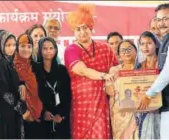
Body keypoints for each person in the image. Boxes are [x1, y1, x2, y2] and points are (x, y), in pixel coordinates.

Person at [65, 4, 118, 139]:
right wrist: (104, 76)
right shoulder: (71, 50)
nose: (82, 32)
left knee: (101, 134)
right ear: (73, 32)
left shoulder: (104, 48)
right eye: (78, 29)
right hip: (82, 105)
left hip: (101, 102)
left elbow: (115, 65)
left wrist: (111, 75)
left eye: (85, 27)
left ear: (91, 28)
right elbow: (81, 70)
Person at [0, 30, 32, 139]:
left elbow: (12, 82)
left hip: (11, 112)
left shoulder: (8, 62)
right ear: (0, 45)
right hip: (4, 113)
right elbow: (5, 93)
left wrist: (21, 84)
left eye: (13, 45)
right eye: (8, 45)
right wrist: (21, 109)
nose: (11, 48)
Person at [138, 3, 169, 139]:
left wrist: (148, 94)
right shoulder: (165, 41)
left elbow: (167, 73)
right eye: (158, 19)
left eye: (166, 19)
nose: (161, 23)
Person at [36, 37, 71, 139]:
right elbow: (33, 95)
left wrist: (62, 115)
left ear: (55, 50)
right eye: (45, 48)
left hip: (60, 120)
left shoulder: (62, 70)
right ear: (40, 50)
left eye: (51, 48)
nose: (48, 51)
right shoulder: (34, 70)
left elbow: (68, 95)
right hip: (42, 120)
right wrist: (42, 113)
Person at [105, 40, 139, 139]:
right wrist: (109, 88)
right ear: (119, 55)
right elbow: (108, 89)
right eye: (123, 50)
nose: (126, 52)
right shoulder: (114, 70)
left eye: (129, 49)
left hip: (138, 109)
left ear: (136, 51)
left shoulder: (142, 68)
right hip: (120, 112)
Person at [13, 33, 43, 139]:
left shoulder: (34, 66)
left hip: (36, 114)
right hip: (19, 116)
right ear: (16, 47)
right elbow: (8, 93)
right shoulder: (11, 66)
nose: (26, 49)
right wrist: (24, 112)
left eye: (29, 46)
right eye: (22, 46)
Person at [136, 31, 161, 139]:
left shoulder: (163, 63)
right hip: (145, 110)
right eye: (142, 44)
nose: (145, 47)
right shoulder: (139, 66)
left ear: (156, 44)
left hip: (162, 109)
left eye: (149, 43)